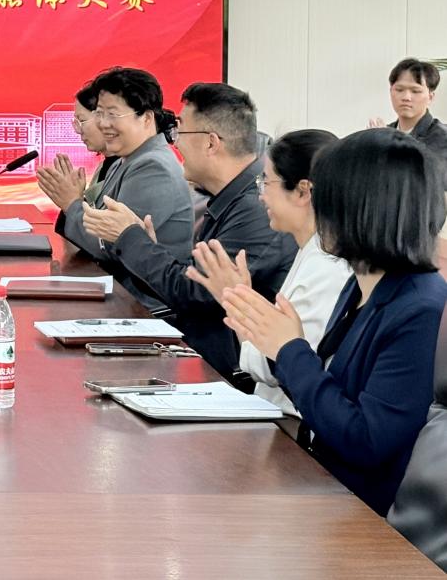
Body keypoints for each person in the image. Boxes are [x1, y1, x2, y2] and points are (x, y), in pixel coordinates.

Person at [223, 128, 447, 516]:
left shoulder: (421, 310)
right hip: (323, 484)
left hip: (364, 516)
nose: (317, 210)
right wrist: (280, 347)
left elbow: (366, 441)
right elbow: (330, 400)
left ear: (359, 208)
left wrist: (289, 350)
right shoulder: (361, 284)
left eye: (326, 198)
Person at [83, 82, 297, 377]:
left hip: (223, 371)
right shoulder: (230, 198)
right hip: (197, 355)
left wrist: (130, 236)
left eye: (180, 132)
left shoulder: (254, 209)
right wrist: (145, 244)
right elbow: (191, 282)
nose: (176, 143)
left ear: (211, 143)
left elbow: (194, 295)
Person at [184, 129, 350, 414]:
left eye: (266, 182)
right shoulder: (311, 251)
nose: (261, 196)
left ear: (303, 191)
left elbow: (276, 366)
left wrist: (237, 299)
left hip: (291, 422)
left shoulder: (328, 266)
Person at [43, 67, 193, 268]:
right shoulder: (125, 160)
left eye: (113, 115)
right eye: (99, 114)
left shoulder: (154, 168)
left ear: (146, 118)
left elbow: (110, 245)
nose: (103, 124)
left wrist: (71, 203)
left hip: (138, 288)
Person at [38, 81, 115, 233]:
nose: (77, 130)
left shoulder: (136, 167)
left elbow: (105, 237)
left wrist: (72, 202)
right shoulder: (106, 165)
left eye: (82, 121)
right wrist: (76, 200)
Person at [370, 58, 447, 168]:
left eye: (415, 91)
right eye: (399, 90)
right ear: (390, 92)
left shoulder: (442, 137)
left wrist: (387, 143)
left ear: (430, 97)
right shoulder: (382, 134)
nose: (406, 97)